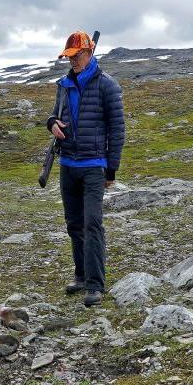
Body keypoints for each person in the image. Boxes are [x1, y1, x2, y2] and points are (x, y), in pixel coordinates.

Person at [47, 30, 125, 308]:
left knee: (92, 224)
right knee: (74, 225)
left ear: (88, 53)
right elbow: (54, 116)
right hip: (68, 164)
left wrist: (111, 170)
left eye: (76, 56)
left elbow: (117, 130)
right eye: (68, 57)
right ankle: (80, 276)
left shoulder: (107, 86)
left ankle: (95, 284)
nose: (72, 62)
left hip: (94, 166)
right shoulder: (64, 85)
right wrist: (52, 125)